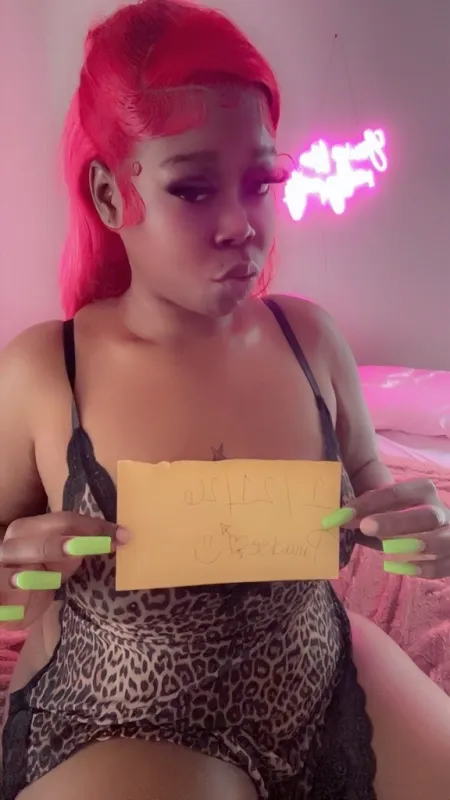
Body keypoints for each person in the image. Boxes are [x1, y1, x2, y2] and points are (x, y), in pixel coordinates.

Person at [1, 1, 450, 799]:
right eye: (194, 188)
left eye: (261, 182)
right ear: (109, 196)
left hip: (317, 676)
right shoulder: (46, 371)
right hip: (120, 716)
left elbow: (377, 491)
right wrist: (9, 573)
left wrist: (422, 531)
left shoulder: (311, 339)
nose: (242, 225)